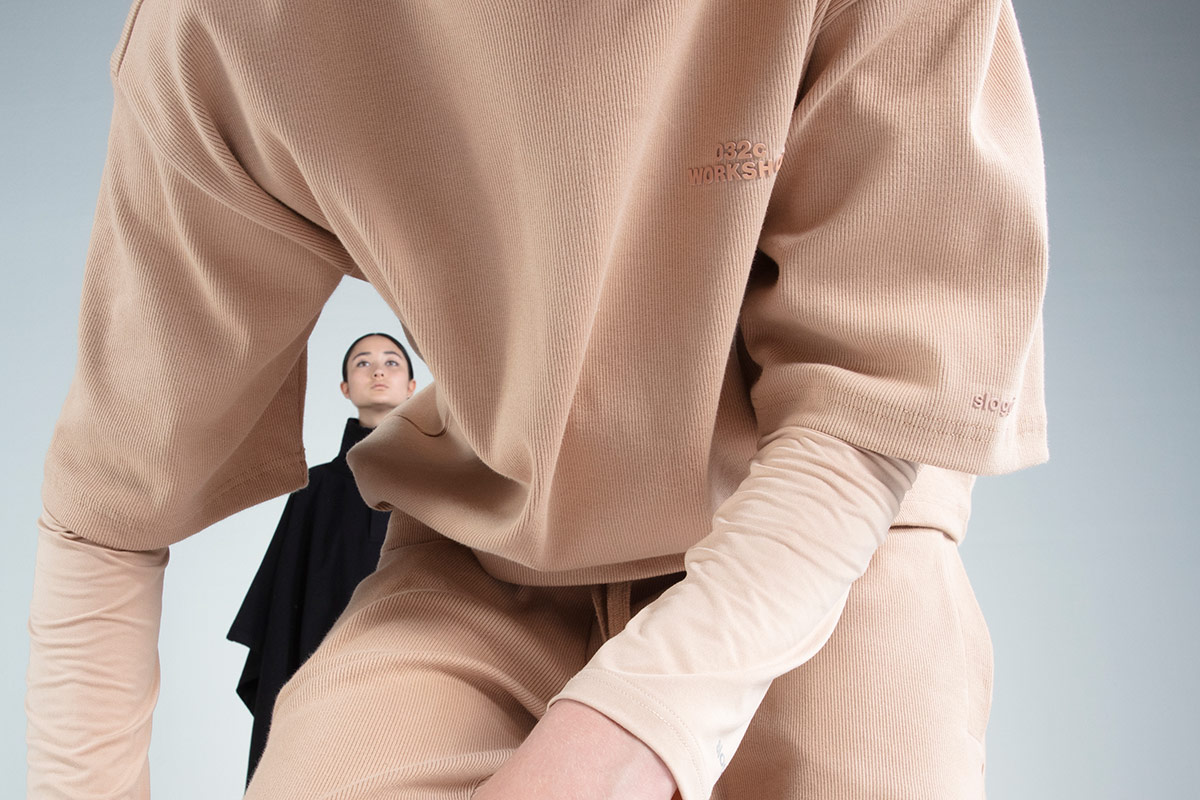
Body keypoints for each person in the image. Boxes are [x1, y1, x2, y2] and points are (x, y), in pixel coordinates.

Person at [25, 1, 1048, 799]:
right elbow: (108, 516)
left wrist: (631, 730)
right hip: (490, 544)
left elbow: (871, 397)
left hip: (824, 531)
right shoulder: (230, 28)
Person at [226, 332, 416, 782]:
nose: (378, 370)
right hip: (323, 685)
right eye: (362, 363)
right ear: (345, 388)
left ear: (412, 387)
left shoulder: (439, 488)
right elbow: (282, 617)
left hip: (413, 680)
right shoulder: (314, 490)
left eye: (392, 362)